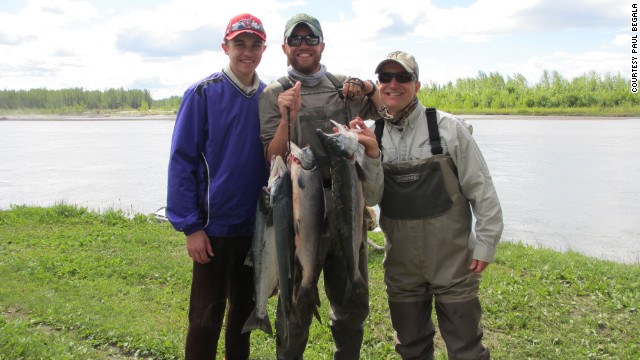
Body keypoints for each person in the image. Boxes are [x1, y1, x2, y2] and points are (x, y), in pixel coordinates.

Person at [259, 13, 383, 360]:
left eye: (310, 39)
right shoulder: (274, 93)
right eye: (295, 40)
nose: (303, 46)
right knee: (295, 303)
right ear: (284, 47)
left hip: (347, 202)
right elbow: (272, 155)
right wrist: (288, 117)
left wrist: (369, 88)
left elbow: (388, 110)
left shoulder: (343, 85)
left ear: (322, 45)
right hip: (300, 210)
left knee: (351, 305)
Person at [369, 51, 503, 360]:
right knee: (410, 347)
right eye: (385, 78)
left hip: (453, 263)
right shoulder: (371, 134)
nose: (393, 84)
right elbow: (371, 198)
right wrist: (372, 155)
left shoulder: (449, 129)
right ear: (378, 86)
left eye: (403, 77)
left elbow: (482, 191)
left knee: (466, 347)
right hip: (401, 265)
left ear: (416, 85)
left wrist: (486, 244)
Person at [166, 13, 269, 360]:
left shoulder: (270, 98)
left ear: (264, 49)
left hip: (254, 229)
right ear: (226, 46)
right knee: (206, 317)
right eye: (240, 43)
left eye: (255, 44)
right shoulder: (202, 94)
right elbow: (182, 161)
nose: (247, 51)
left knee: (242, 317)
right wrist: (191, 227)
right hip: (212, 229)